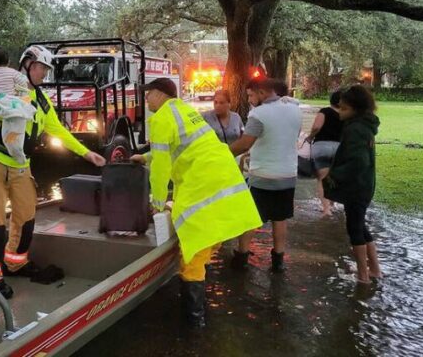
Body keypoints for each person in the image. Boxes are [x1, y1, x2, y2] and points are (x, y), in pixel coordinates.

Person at [0, 45, 106, 298]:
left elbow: (58, 130)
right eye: (42, 68)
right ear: (28, 64)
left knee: (26, 216)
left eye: (46, 69)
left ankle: (15, 262)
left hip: (21, 165)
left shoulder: (41, 101)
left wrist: (86, 153)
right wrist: (6, 106)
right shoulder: (2, 89)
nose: (45, 74)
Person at [130, 78, 262, 328]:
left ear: (159, 94)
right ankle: (203, 304)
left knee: (191, 255)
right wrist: (144, 157)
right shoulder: (186, 111)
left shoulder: (160, 119)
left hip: (203, 185)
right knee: (211, 240)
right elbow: (181, 148)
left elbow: (161, 166)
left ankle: (195, 322)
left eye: (148, 95)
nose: (146, 100)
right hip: (223, 179)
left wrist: (157, 203)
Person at [230, 78, 302, 272]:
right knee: (280, 219)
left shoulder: (258, 114)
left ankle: (241, 257)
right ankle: (278, 260)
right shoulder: (295, 109)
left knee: (250, 218)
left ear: (262, 93)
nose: (250, 100)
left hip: (263, 177)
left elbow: (245, 143)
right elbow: (289, 136)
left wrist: (222, 153)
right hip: (288, 175)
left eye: (251, 95)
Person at [323, 85, 381, 284]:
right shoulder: (363, 126)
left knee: (354, 228)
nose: (340, 112)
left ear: (356, 109)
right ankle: (374, 269)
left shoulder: (355, 129)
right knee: (361, 226)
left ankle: (363, 275)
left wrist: (334, 175)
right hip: (364, 185)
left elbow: (359, 161)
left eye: (344, 109)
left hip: (356, 187)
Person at [306, 91, 344, 216]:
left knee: (322, 178)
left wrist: (310, 137)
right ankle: (333, 204)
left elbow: (317, 127)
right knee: (334, 177)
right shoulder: (346, 114)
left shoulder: (325, 111)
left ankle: (326, 209)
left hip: (322, 147)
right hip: (339, 148)